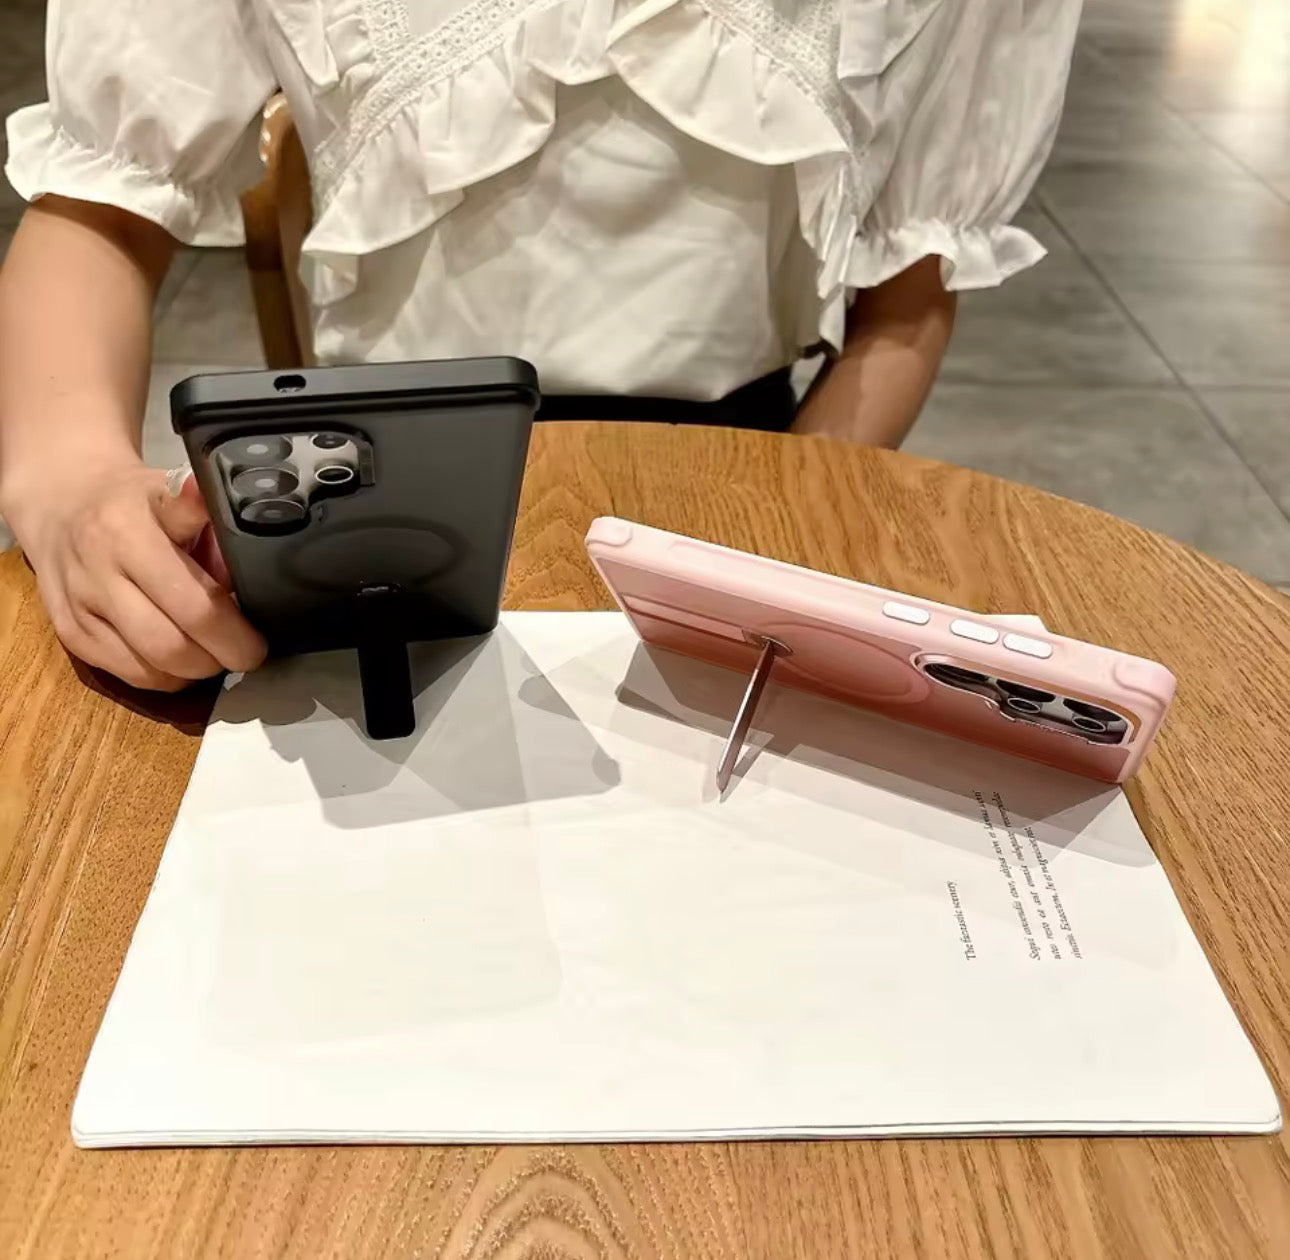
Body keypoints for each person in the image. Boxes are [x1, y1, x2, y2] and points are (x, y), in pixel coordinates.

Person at [0, 0, 1081, 692]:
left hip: (752, 484)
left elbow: (908, 290)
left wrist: (787, 533)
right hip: (360, 495)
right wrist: (69, 476)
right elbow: (100, 202)